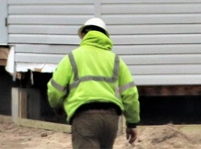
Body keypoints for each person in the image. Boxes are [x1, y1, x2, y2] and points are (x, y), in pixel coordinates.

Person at [47, 17, 140, 149]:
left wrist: (57, 107)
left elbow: (55, 90)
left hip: (84, 118)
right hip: (110, 119)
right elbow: (130, 94)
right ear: (105, 35)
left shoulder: (72, 58)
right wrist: (132, 124)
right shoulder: (116, 60)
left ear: (84, 35)